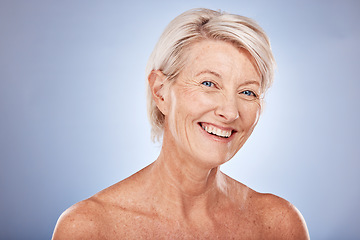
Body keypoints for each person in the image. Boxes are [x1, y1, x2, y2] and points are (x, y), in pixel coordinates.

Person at [52, 8, 309, 239]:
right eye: (209, 84)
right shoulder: (89, 228)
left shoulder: (278, 225)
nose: (230, 112)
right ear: (160, 91)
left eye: (248, 92)